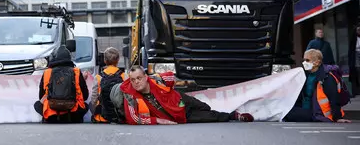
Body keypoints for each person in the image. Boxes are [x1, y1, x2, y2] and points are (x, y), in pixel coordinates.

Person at [110, 65, 254, 125]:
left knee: (205, 106)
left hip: (180, 99)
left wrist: (156, 79)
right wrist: (159, 121)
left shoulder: (156, 80)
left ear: (146, 77)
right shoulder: (130, 95)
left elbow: (171, 77)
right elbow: (133, 119)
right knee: (210, 117)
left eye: (139, 78)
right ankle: (234, 116)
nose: (136, 82)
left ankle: (218, 112)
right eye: (133, 79)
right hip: (179, 115)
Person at [283, 49, 351, 123]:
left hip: (319, 113)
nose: (304, 62)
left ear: (317, 62)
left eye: (307, 60)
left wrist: (338, 117)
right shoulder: (307, 74)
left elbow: (334, 98)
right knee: (286, 110)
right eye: (304, 60)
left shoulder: (326, 77)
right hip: (308, 109)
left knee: (287, 113)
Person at [34, 45, 89, 123]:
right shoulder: (76, 71)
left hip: (51, 115)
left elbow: (41, 96)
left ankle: (48, 117)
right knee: (86, 105)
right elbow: (85, 96)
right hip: (73, 114)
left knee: (37, 104)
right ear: (69, 58)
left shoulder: (47, 72)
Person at [90, 47, 126, 123]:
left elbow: (94, 99)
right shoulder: (124, 76)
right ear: (118, 60)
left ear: (104, 60)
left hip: (102, 117)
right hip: (119, 116)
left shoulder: (98, 77)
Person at [348, 25, 360, 96]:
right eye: (358, 30)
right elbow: (351, 51)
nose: (359, 31)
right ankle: (356, 91)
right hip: (355, 55)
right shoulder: (353, 39)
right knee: (357, 71)